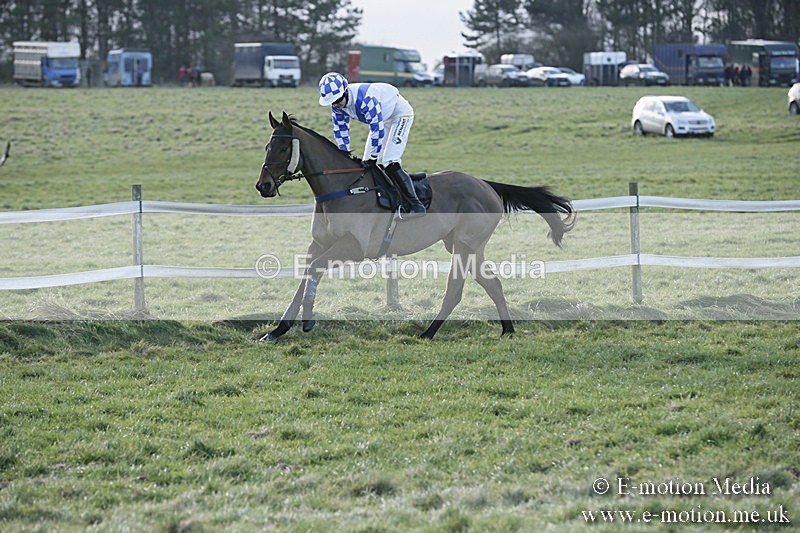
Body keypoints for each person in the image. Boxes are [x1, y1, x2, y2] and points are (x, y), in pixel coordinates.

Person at [317, 72, 426, 217]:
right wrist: (344, 154)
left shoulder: (365, 99)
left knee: (389, 161)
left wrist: (373, 157)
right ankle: (383, 201)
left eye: (337, 100)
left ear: (345, 92)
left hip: (400, 115)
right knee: (366, 164)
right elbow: (341, 130)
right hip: (383, 119)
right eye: (332, 102)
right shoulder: (337, 107)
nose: (336, 105)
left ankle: (416, 205)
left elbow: (377, 131)